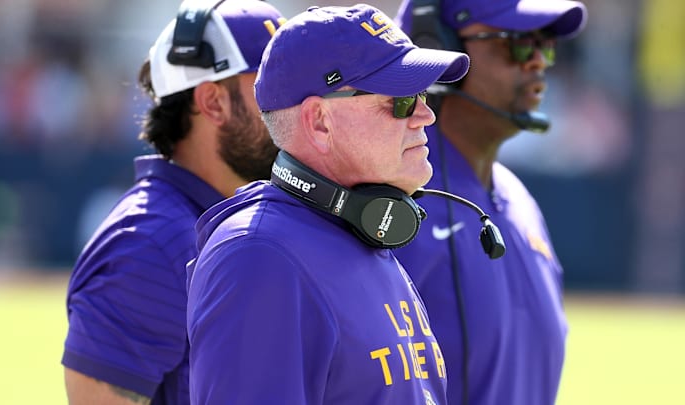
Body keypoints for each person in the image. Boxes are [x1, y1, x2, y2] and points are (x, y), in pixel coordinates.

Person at [185, 4, 471, 404]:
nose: (426, 116)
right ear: (319, 121)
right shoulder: (259, 257)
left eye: (422, 95)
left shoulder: (355, 233)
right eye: (401, 100)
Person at [61, 1, 286, 403]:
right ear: (213, 102)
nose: (296, 107)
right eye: (272, 88)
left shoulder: (245, 219)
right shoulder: (148, 243)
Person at [393, 1, 588, 404]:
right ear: (437, 46)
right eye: (517, 43)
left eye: (545, 44)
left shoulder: (518, 197)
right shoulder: (388, 206)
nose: (537, 61)